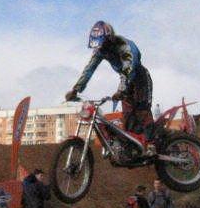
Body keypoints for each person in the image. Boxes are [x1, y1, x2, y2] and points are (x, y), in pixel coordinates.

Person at [65, 21, 155, 150]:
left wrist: (121, 90)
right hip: (125, 82)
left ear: (110, 39)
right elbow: (89, 69)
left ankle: (152, 144)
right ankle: (134, 150)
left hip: (140, 79)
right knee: (128, 117)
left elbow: (128, 69)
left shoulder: (125, 46)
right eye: (99, 46)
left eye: (103, 45)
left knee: (142, 111)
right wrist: (76, 89)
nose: (101, 49)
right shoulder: (100, 50)